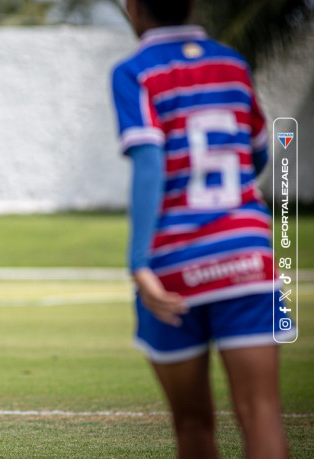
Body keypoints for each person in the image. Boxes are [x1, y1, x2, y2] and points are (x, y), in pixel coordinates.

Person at [110, 1, 294, 457]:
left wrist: (139, 264)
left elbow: (150, 164)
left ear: (133, 8)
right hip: (247, 257)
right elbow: (257, 155)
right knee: (261, 412)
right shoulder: (232, 64)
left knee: (192, 425)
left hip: (175, 263)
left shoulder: (134, 72)